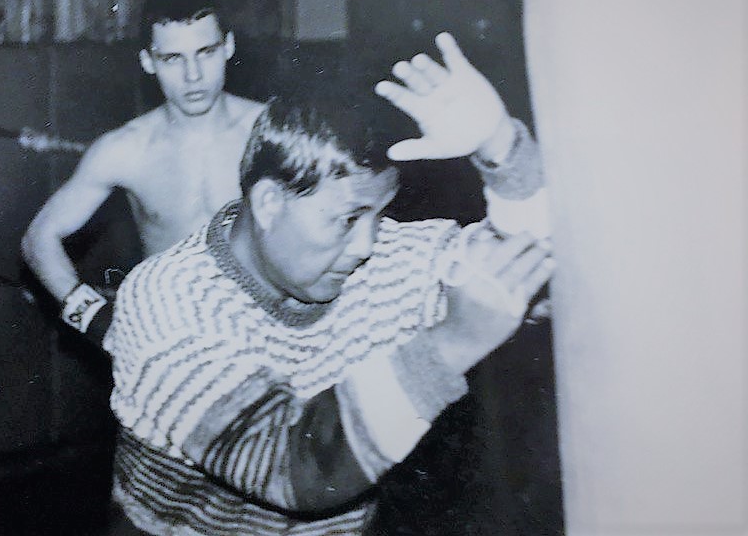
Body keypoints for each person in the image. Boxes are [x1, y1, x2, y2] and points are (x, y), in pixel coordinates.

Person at [103, 32, 553, 536]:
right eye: (348, 218)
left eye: (379, 214)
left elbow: (540, 275)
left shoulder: (381, 257)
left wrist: (501, 148)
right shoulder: (166, 301)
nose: (367, 244)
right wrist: (450, 344)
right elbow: (291, 472)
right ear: (269, 203)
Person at [21, 0, 265, 345]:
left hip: (262, 336)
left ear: (228, 46)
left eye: (206, 52)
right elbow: (39, 238)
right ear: (148, 61)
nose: (193, 75)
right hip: (170, 341)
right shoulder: (125, 150)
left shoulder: (271, 133)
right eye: (173, 59)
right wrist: (99, 323)